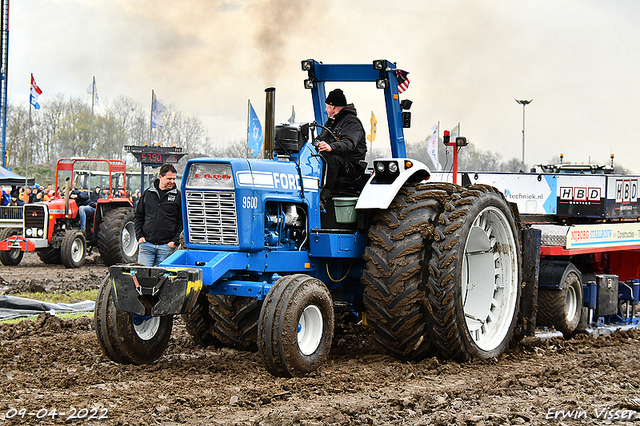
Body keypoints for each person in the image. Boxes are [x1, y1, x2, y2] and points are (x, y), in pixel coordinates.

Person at [314, 88, 367, 208]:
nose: (326, 109)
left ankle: (323, 198)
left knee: (331, 158)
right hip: (338, 163)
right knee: (317, 157)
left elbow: (349, 143)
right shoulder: (331, 123)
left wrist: (330, 147)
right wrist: (317, 144)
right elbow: (320, 138)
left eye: (327, 106)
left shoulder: (352, 122)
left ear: (333, 106)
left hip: (351, 167)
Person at [134, 163, 182, 266]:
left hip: (167, 246)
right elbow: (139, 216)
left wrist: (175, 241)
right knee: (143, 277)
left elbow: (183, 222)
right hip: (146, 244)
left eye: (174, 179)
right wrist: (139, 236)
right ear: (160, 177)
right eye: (169, 178)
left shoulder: (178, 196)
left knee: (166, 279)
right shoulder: (148, 194)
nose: (172, 182)